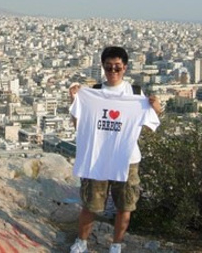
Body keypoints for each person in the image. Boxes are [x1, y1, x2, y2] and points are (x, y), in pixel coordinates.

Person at [69, 47, 162, 253]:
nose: (113, 70)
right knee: (91, 204)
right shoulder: (93, 93)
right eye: (109, 66)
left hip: (127, 158)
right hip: (98, 156)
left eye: (117, 67)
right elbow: (80, 125)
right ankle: (82, 242)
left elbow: (151, 124)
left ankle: (116, 245)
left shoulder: (135, 94)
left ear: (125, 67)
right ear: (103, 67)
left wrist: (156, 108)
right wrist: (74, 101)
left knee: (125, 205)